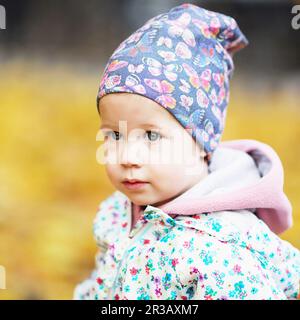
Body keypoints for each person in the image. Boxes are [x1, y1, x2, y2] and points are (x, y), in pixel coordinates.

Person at [73, 3, 300, 300]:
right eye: (115, 134)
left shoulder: (219, 250)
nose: (127, 157)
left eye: (151, 136)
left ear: (201, 143)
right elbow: (102, 282)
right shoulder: (119, 212)